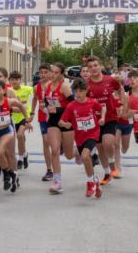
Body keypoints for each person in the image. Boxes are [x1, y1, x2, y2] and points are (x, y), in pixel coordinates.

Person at [0, 80, 31, 192]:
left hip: (7, 131)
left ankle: (8, 176)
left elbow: (21, 107)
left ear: (4, 91)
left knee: (5, 153)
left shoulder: (9, 101)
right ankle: (11, 174)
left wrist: (27, 119)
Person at [59, 78, 105, 198]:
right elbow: (61, 121)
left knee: (85, 156)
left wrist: (102, 118)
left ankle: (90, 184)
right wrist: (65, 124)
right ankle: (95, 180)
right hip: (79, 138)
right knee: (86, 161)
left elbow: (102, 109)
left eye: (81, 91)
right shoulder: (71, 106)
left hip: (93, 134)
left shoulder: (92, 102)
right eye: (76, 91)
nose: (78, 94)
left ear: (86, 91)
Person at [86, 56, 125, 185]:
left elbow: (120, 90)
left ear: (100, 66)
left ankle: (113, 163)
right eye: (90, 67)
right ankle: (107, 172)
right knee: (100, 147)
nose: (93, 68)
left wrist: (122, 105)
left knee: (108, 142)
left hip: (110, 117)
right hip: (95, 120)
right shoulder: (86, 84)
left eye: (95, 65)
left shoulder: (110, 80)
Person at [44, 62, 79, 194]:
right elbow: (47, 102)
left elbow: (73, 105)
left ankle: (78, 152)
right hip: (53, 123)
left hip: (66, 122)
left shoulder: (64, 87)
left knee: (69, 155)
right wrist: (48, 108)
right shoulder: (47, 86)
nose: (52, 75)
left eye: (56, 72)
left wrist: (58, 109)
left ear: (61, 74)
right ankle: (57, 182)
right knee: (54, 150)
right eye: (51, 72)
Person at [31, 63, 53, 181]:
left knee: (52, 143)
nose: (43, 75)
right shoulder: (36, 87)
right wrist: (32, 113)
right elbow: (34, 99)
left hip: (53, 117)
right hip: (42, 117)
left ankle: (59, 147)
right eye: (41, 72)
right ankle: (49, 170)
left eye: (46, 72)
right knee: (45, 142)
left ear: (50, 73)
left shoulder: (53, 86)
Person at [9, 71, 33, 170]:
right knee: (20, 138)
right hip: (12, 118)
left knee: (20, 135)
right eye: (12, 79)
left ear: (20, 80)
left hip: (24, 117)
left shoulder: (27, 89)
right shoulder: (8, 91)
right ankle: (25, 155)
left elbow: (37, 93)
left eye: (16, 79)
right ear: (9, 80)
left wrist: (29, 119)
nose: (14, 81)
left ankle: (20, 159)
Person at [111, 86, 132, 179]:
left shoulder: (127, 97)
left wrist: (124, 113)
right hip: (115, 124)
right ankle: (118, 167)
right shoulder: (111, 96)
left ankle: (123, 151)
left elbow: (131, 111)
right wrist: (115, 113)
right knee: (116, 144)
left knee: (125, 148)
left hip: (126, 124)